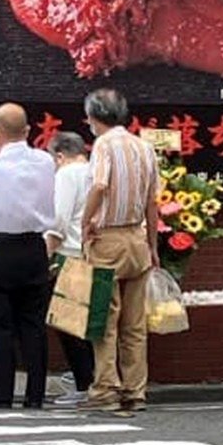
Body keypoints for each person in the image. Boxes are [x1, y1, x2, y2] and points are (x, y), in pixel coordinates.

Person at [0, 103, 56, 409]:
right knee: (33, 323)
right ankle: (35, 394)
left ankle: (1, 392)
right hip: (34, 247)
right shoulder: (45, 162)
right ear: (28, 130)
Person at [81, 89, 160, 413]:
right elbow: (152, 202)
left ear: (93, 117)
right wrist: (153, 245)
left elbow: (100, 185)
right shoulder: (144, 147)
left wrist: (85, 221)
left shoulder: (104, 145)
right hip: (137, 240)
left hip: (107, 241)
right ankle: (135, 390)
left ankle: (105, 389)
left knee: (104, 318)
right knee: (135, 323)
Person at [45, 130, 95, 406]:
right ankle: (93, 377)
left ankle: (83, 383)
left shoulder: (66, 174)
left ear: (60, 156)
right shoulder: (95, 171)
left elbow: (59, 221)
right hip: (95, 253)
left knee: (69, 325)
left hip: (70, 255)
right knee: (90, 324)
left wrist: (46, 254)